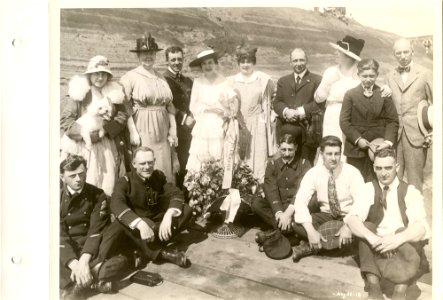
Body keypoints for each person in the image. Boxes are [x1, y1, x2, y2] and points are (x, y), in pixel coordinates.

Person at [344, 148, 430, 300]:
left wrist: (397, 239)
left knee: (405, 230)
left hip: (402, 247)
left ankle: (400, 291)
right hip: (376, 246)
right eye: (379, 168)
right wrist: (373, 238)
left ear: (396, 167)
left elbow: (421, 227)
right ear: (374, 168)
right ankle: (374, 289)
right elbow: (351, 218)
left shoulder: (409, 191)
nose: (383, 173)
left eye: (388, 168)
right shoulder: (368, 188)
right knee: (367, 227)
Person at [109, 147, 193, 268]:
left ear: (154, 161)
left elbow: (176, 193)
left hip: (157, 224)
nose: (147, 167)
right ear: (134, 164)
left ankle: (144, 248)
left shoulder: (158, 176)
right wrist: (141, 224)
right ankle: (164, 254)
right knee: (122, 221)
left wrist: (168, 216)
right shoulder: (124, 181)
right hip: (139, 227)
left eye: (150, 162)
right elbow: (116, 204)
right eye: (142, 163)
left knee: (186, 210)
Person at [60, 55, 131, 196]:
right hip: (84, 145)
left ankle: (105, 210)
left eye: (104, 74)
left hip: (108, 143)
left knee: (108, 178)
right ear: (90, 75)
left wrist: (105, 130)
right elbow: (66, 120)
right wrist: (86, 134)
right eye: (96, 74)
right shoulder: (80, 93)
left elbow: (122, 116)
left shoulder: (114, 93)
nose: (100, 78)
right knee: (87, 178)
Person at [60, 155, 128, 299]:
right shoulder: (54, 198)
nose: (78, 179)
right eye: (72, 176)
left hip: (94, 248)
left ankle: (77, 284)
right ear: (62, 177)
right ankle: (95, 279)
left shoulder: (98, 195)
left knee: (118, 228)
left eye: (81, 174)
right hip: (68, 249)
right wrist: (75, 264)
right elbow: (60, 235)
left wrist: (84, 261)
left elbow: (96, 230)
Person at [291, 135, 365, 262]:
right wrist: (311, 232)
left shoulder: (352, 172)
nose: (333, 158)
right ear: (321, 154)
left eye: (337, 154)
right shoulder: (314, 173)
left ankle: (312, 246)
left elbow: (362, 202)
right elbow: (300, 200)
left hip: (348, 216)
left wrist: (348, 226)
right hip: (326, 217)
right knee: (297, 223)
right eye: (329, 154)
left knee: (362, 227)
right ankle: (335, 245)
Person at [120, 33, 178, 183]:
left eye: (151, 53)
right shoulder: (130, 77)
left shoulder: (161, 77)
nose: (148, 57)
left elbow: (169, 105)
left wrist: (173, 129)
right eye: (144, 53)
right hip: (142, 126)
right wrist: (133, 131)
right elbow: (126, 106)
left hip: (163, 128)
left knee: (164, 163)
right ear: (138, 56)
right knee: (146, 162)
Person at [339, 58, 399, 182]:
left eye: (372, 76)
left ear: (377, 75)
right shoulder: (350, 95)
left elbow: (392, 121)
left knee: (377, 181)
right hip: (355, 149)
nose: (368, 79)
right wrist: (357, 139)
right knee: (355, 181)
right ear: (358, 75)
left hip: (378, 148)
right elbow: (344, 121)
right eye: (364, 76)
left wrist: (387, 142)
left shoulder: (383, 94)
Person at [385, 38, 433, 192]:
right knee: (393, 179)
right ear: (394, 55)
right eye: (398, 53)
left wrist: (431, 133)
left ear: (412, 51)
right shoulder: (389, 76)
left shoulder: (425, 73)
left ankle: (416, 215)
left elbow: (435, 105)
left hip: (417, 136)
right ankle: (395, 214)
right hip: (394, 136)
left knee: (415, 182)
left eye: (406, 52)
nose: (403, 56)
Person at [228, 45, 276, 183]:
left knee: (257, 158)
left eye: (248, 61)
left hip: (257, 125)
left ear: (254, 62)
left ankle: (257, 189)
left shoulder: (263, 80)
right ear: (238, 63)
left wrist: (271, 116)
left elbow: (273, 98)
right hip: (237, 125)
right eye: (242, 61)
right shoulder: (231, 81)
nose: (245, 64)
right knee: (237, 157)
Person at [251, 131, 311, 238]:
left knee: (313, 201)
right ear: (278, 147)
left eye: (290, 150)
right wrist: (279, 213)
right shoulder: (272, 165)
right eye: (283, 150)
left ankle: (280, 229)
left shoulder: (304, 164)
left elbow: (303, 192)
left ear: (296, 148)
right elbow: (271, 191)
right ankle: (289, 227)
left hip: (296, 206)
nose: (287, 154)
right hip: (278, 206)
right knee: (256, 203)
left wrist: (288, 213)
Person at [186, 49, 237, 172]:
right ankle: (201, 187)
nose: (207, 66)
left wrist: (226, 111)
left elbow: (232, 106)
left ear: (215, 64)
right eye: (204, 64)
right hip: (203, 126)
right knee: (202, 158)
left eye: (210, 63)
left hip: (220, 125)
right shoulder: (198, 82)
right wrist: (210, 109)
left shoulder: (225, 82)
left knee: (220, 155)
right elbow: (193, 106)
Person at [274, 48, 323, 165]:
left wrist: (300, 111)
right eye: (295, 60)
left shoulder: (317, 80)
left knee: (305, 164)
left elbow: (319, 104)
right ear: (290, 62)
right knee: (286, 162)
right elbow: (277, 102)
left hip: (308, 130)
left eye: (301, 60)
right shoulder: (283, 81)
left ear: (307, 61)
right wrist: (286, 111)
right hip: (285, 127)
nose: (298, 64)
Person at [163, 46, 194, 189]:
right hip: (171, 129)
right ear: (167, 61)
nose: (176, 62)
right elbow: (167, 104)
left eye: (179, 59)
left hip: (189, 130)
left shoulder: (188, 81)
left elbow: (194, 102)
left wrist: (193, 116)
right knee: (176, 165)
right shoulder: (163, 80)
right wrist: (183, 117)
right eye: (173, 59)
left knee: (188, 162)